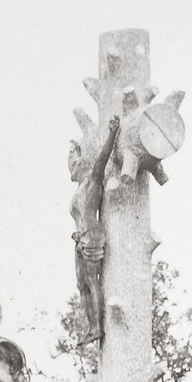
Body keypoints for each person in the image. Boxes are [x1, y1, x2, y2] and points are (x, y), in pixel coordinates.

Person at [69, 116, 120, 345]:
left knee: (92, 280)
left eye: (75, 161)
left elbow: (102, 158)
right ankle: (91, 325)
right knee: (81, 284)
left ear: (83, 165)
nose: (72, 165)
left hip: (92, 235)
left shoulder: (92, 180)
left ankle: (97, 327)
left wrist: (112, 132)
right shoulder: (78, 190)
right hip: (80, 238)